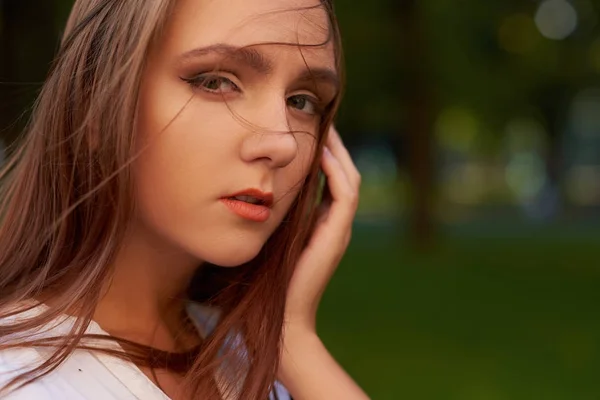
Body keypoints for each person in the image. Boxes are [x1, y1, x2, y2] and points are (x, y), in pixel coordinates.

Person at [0, 0, 367, 399]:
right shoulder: (23, 380)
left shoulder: (254, 359)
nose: (283, 144)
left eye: (301, 101)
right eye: (215, 81)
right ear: (95, 106)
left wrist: (294, 342)